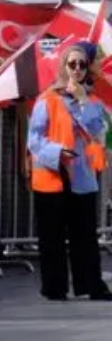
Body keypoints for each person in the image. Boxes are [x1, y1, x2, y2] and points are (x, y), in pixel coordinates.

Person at [27, 41, 111, 301]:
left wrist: (83, 100)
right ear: (63, 66)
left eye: (82, 64)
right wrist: (56, 153)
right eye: (71, 64)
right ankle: (54, 287)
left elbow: (97, 130)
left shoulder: (94, 101)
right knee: (51, 234)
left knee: (84, 234)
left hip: (82, 175)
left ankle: (90, 284)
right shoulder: (48, 99)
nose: (76, 69)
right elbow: (34, 138)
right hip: (52, 175)